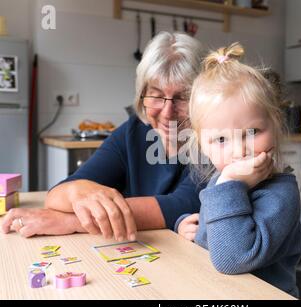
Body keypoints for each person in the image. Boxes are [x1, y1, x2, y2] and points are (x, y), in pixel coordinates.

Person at [2, 32, 205, 240]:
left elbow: (183, 204)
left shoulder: (215, 139)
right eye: (156, 95)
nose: (167, 112)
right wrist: (77, 191)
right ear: (142, 93)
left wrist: (70, 221)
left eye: (182, 98)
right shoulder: (132, 132)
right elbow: (56, 196)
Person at [175, 43, 301, 296]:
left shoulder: (280, 194)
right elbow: (213, 239)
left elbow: (232, 259)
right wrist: (188, 227)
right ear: (203, 145)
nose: (239, 150)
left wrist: (230, 183)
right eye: (221, 139)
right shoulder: (223, 182)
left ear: (276, 125)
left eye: (252, 132)